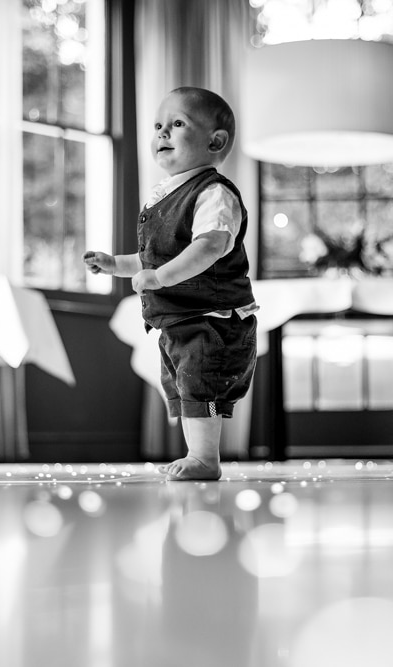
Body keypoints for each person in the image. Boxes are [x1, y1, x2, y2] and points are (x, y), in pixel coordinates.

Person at [83, 87, 257, 481]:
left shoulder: (214, 193)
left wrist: (158, 278)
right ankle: (196, 453)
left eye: (177, 124)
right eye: (158, 125)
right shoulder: (165, 196)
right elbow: (152, 258)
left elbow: (209, 247)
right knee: (181, 387)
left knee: (200, 385)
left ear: (215, 141)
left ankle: (204, 458)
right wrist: (115, 265)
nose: (162, 133)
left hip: (214, 319)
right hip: (180, 319)